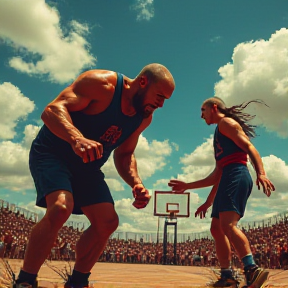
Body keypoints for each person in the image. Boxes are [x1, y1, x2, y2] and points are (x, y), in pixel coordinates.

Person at [15, 63, 175, 288]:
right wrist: (76, 138)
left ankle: (78, 282)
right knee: (61, 207)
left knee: (107, 222)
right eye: (159, 96)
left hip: (87, 168)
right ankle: (25, 281)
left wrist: (136, 183)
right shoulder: (102, 84)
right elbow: (51, 110)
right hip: (53, 153)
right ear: (142, 82)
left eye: (165, 100)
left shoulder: (143, 117)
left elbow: (125, 153)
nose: (161, 104)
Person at [168, 97, 275, 288]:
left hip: (237, 174)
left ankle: (251, 269)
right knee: (216, 228)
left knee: (228, 225)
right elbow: (217, 175)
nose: (201, 115)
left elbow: (249, 147)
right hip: (228, 175)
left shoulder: (226, 123)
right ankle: (227, 276)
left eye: (203, 110)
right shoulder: (219, 133)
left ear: (214, 108)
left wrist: (262, 173)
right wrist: (191, 189)